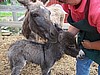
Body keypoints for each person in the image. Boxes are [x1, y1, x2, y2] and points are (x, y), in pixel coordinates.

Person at [56, 0, 100, 75]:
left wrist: (91, 45)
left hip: (94, 44)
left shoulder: (97, 11)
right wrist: (65, 38)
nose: (65, 3)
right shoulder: (70, 4)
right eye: (63, 1)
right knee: (82, 62)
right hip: (86, 40)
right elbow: (78, 22)